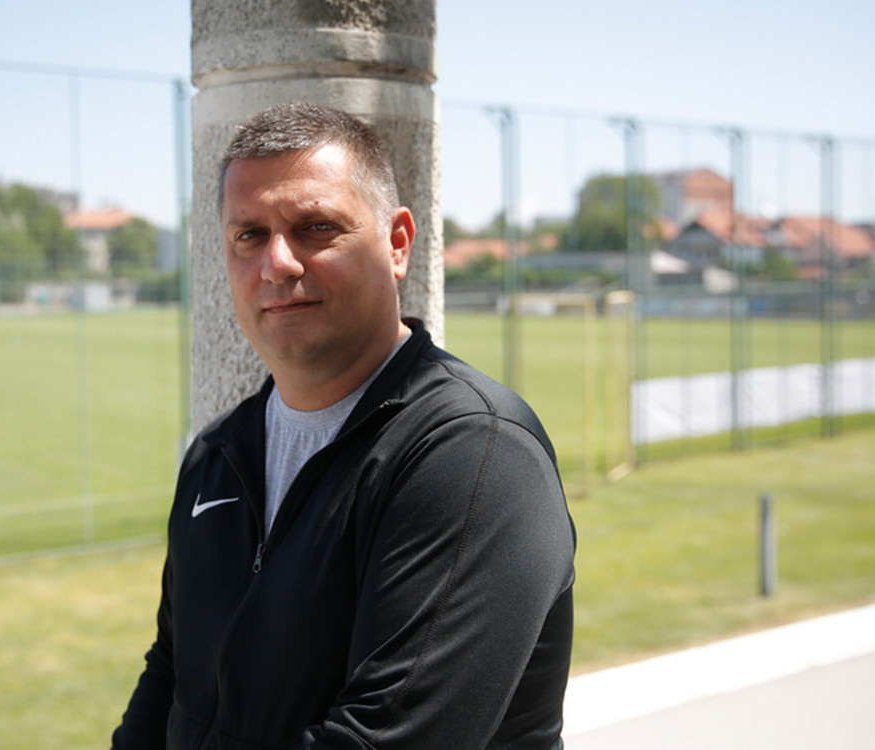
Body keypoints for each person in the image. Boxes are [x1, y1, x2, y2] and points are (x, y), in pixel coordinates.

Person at [111, 102, 576, 750]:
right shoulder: (216, 454)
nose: (277, 263)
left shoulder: (475, 454)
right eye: (249, 235)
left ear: (397, 243)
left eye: (316, 227)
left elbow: (381, 739)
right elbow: (172, 675)